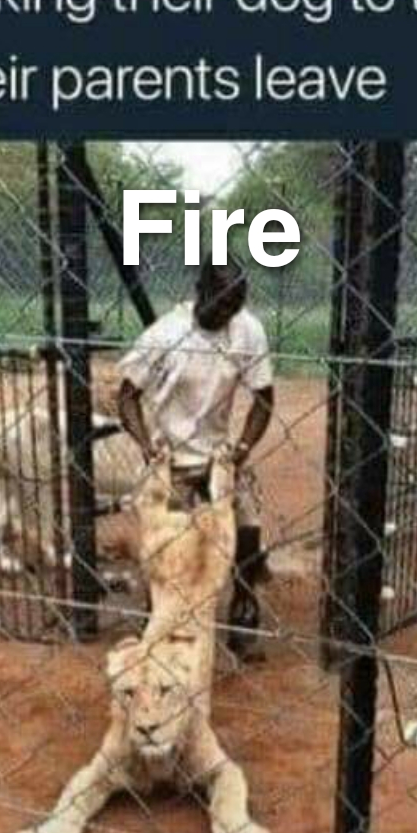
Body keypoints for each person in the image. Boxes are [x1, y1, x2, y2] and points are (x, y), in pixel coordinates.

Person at [117, 257, 274, 662]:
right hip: (171, 457)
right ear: (201, 292)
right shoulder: (165, 334)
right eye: (220, 304)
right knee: (170, 549)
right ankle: (156, 619)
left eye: (234, 306)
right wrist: (147, 445)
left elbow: (264, 399)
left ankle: (243, 614)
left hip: (220, 456)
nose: (226, 315)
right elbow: (127, 396)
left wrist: (241, 449)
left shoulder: (247, 330)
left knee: (248, 533)